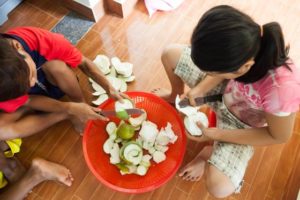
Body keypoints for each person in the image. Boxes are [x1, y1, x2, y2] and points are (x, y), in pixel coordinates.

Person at [153, 5, 300, 198]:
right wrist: (199, 89)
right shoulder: (245, 41)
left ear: (244, 66)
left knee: (219, 188)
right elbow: (223, 72)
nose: (209, 74)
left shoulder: (282, 90)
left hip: (243, 125)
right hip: (225, 93)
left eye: (212, 71)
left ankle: (208, 152)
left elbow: (277, 136)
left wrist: (217, 135)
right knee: (170, 53)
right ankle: (174, 96)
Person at [0, 26, 128, 199]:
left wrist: (109, 87)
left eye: (30, 75)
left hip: (53, 80)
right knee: (2, 130)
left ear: (18, 47)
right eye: (27, 82)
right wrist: (67, 109)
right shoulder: (5, 86)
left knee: (55, 64)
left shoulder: (43, 41)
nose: (32, 83)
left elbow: (83, 63)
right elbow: (29, 99)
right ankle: (71, 112)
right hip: (28, 101)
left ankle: (78, 104)